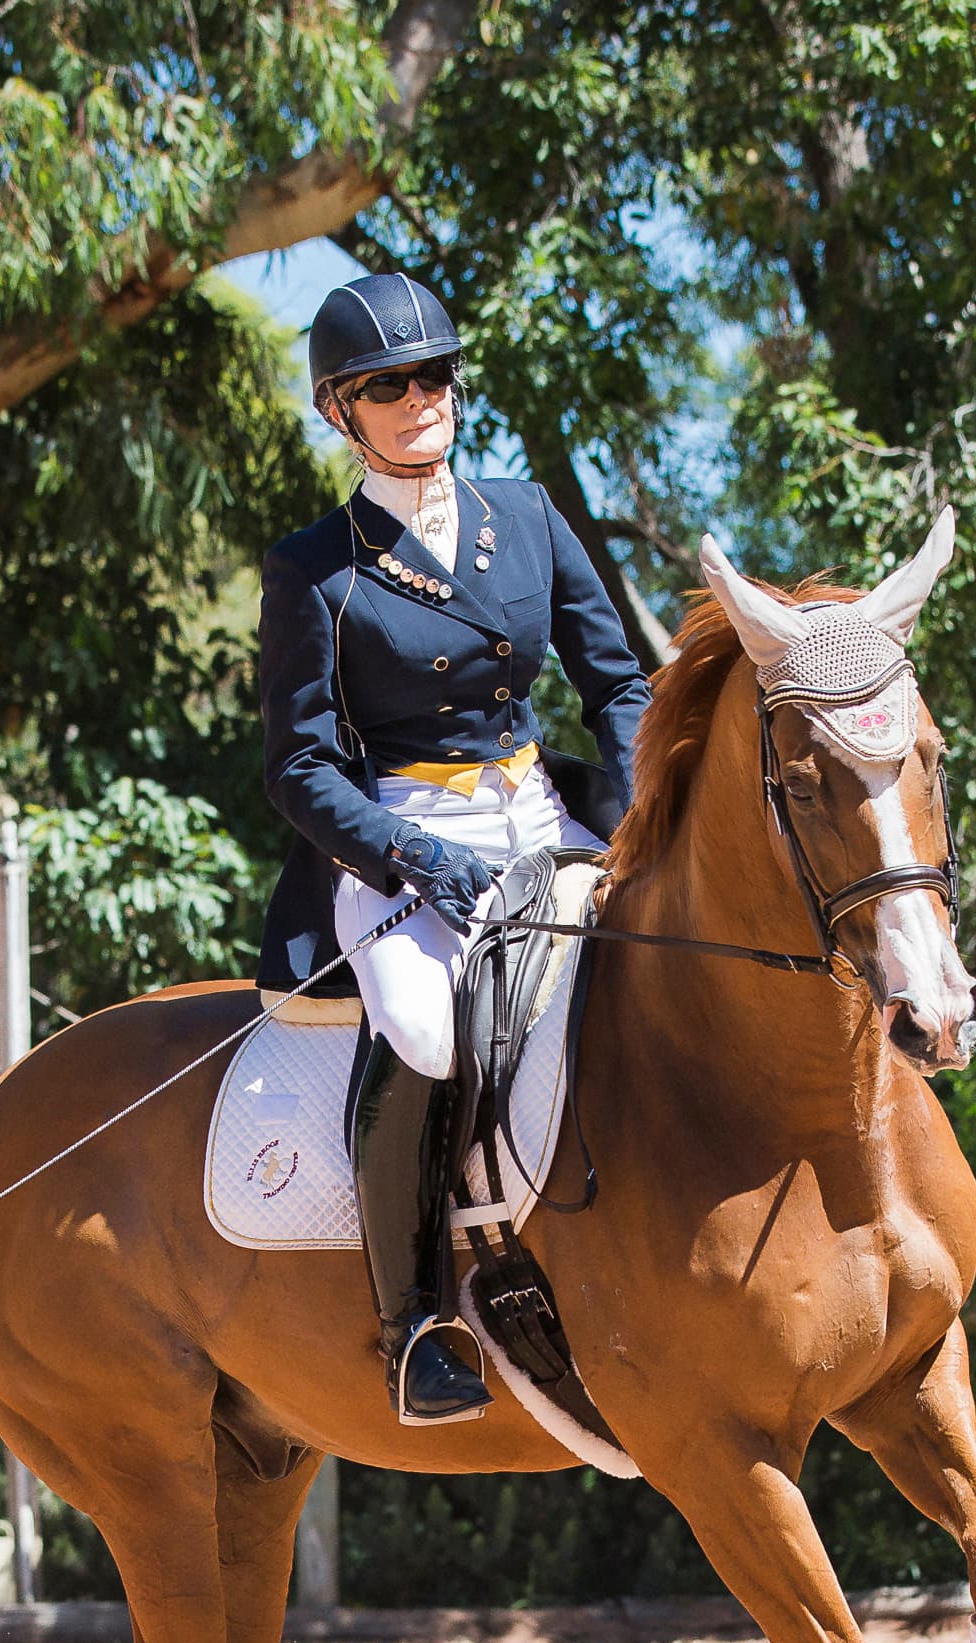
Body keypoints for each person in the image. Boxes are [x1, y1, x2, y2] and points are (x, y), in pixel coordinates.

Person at [255, 274, 652, 1424]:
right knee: (428, 1030)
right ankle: (415, 1322)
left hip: (540, 810)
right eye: (388, 385)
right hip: (402, 837)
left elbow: (615, 681)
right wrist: (404, 857)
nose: (419, 399)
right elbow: (299, 764)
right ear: (343, 411)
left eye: (432, 376)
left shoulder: (524, 515)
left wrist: (638, 813)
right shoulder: (317, 568)